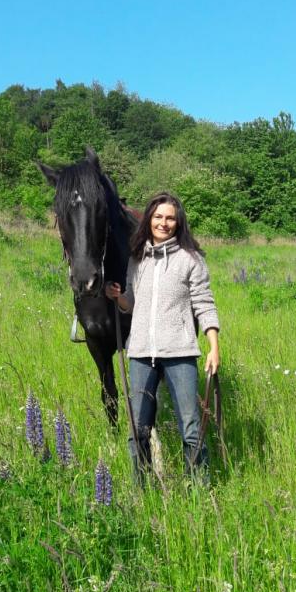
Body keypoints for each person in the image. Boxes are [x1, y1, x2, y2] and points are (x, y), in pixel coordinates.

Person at [105, 192, 220, 483]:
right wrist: (118, 298)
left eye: (170, 218)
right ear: (149, 220)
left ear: (178, 222)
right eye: (158, 217)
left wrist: (213, 347)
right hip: (141, 354)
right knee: (137, 429)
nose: (163, 223)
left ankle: (199, 490)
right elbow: (132, 302)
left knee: (191, 427)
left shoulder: (191, 259)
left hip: (180, 353)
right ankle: (141, 490)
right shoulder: (137, 259)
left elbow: (204, 304)